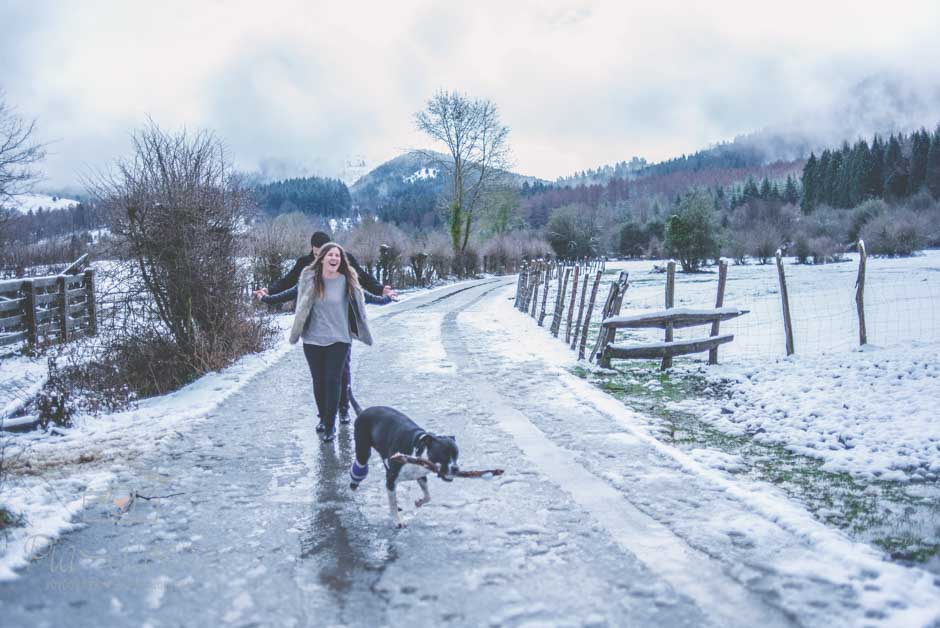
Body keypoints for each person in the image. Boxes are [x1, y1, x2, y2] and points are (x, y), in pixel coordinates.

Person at [255, 231, 398, 428]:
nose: (321, 257)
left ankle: (343, 407)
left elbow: (363, 280)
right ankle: (325, 414)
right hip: (314, 328)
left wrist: (382, 290)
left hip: (341, 327)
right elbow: (288, 283)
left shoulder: (343, 260)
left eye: (324, 252)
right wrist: (268, 292)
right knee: (320, 376)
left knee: (341, 371)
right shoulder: (305, 265)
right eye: (316, 253)